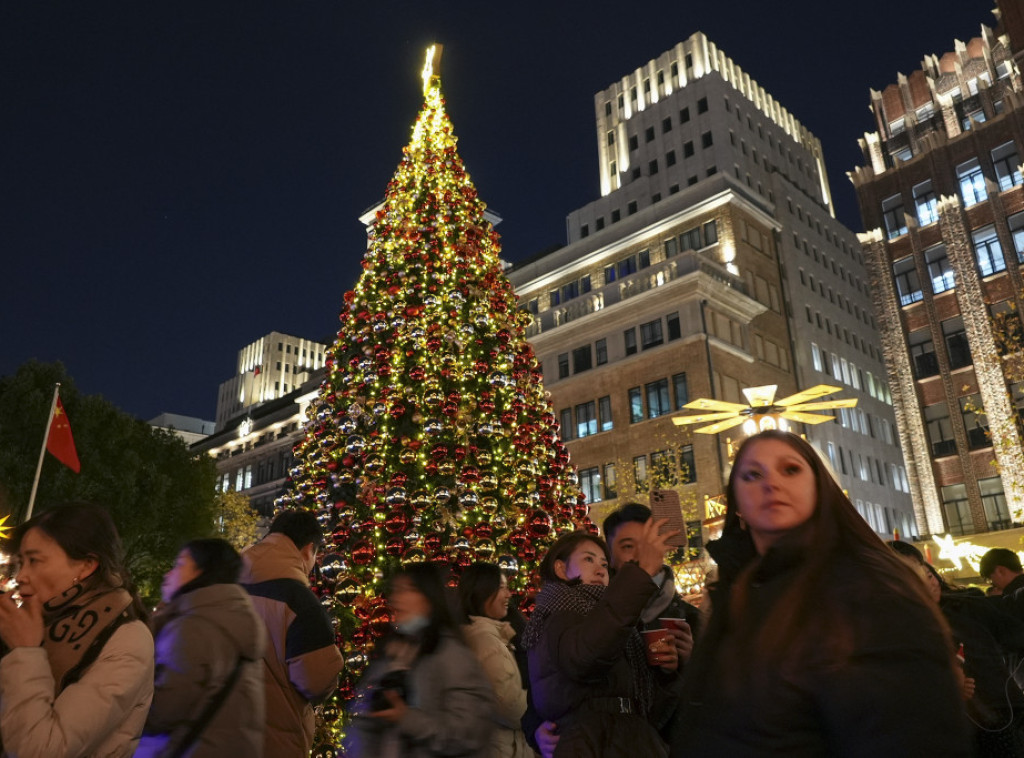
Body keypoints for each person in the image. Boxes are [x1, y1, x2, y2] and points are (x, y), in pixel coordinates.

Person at [670, 429, 972, 757]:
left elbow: (911, 732)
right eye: (752, 474)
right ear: (737, 502)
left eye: (790, 469)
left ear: (819, 486)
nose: (771, 483)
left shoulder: (870, 587)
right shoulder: (739, 591)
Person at [0, 502, 154, 757]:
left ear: (85, 566)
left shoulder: (128, 641)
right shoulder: (46, 621)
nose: (22, 576)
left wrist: (25, 652)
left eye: (34, 561)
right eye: (21, 562)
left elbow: (41, 749)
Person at [522, 526, 678, 758]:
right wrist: (641, 573)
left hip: (625, 740)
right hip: (593, 745)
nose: (600, 570)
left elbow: (648, 707)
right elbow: (586, 658)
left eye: (605, 564)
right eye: (588, 559)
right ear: (561, 569)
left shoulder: (613, 619)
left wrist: (668, 671)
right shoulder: (559, 612)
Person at [346, 562, 496, 757]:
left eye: (408, 590)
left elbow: (470, 733)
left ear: (429, 598)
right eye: (396, 590)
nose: (397, 599)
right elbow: (364, 720)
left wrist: (408, 719)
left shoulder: (453, 656)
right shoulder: (391, 655)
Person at [135, 538, 265, 757]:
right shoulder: (233, 617)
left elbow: (163, 711)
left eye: (179, 564)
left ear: (202, 572)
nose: (169, 574)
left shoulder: (193, 627)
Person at [240, 509, 344, 758]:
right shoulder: (301, 603)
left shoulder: (227, 583)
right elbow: (316, 683)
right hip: (273, 741)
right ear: (309, 550)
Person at [912, 558, 1024, 756]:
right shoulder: (906, 629)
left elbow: (1009, 618)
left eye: (929, 576)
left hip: (1000, 707)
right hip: (954, 724)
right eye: (918, 581)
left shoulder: (965, 604)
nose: (929, 583)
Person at [458, 562, 535, 758]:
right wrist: (546, 699)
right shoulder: (487, 643)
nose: (509, 595)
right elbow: (512, 709)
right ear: (482, 592)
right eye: (502, 588)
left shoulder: (491, 636)